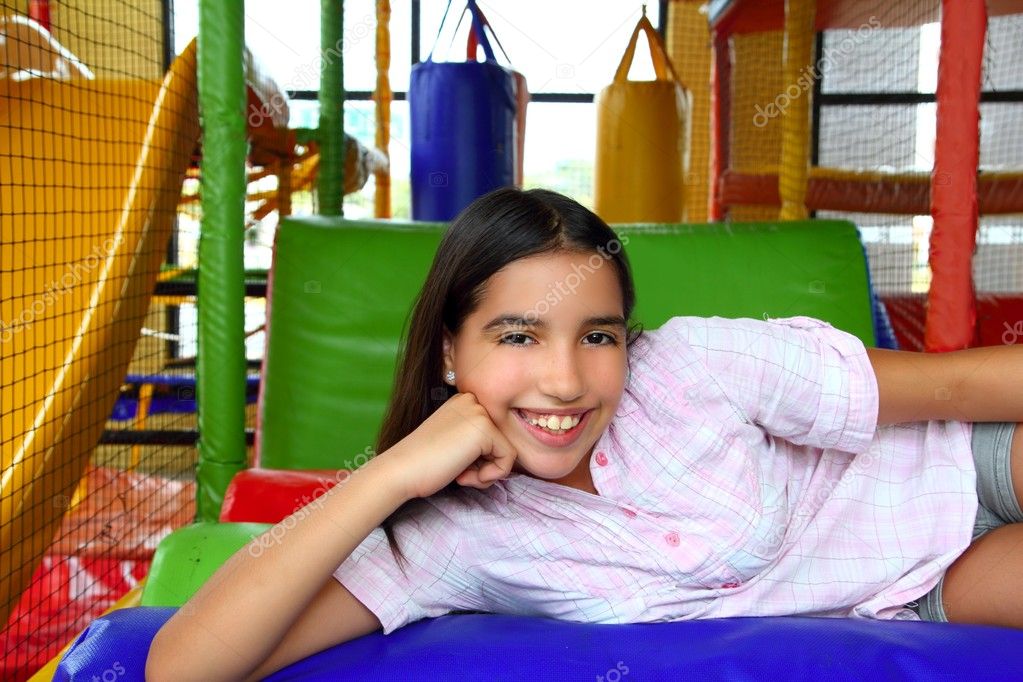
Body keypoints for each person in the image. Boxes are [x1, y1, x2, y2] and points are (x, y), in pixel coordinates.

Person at [147, 188, 1023, 681]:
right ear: (451, 350)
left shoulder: (693, 364)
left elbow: (950, 382)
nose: (564, 381)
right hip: (920, 589)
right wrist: (390, 475)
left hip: (953, 466)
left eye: (596, 335)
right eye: (517, 337)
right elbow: (182, 672)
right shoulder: (453, 542)